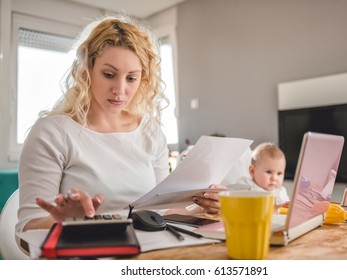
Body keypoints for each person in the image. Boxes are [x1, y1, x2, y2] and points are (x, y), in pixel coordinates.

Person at [16, 14, 221, 235]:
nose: (120, 90)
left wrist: (200, 206)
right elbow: (27, 228)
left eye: (131, 78)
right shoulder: (52, 133)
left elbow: (159, 214)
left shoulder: (150, 133)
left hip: (147, 255)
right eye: (109, 74)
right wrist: (66, 222)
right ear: (87, 71)